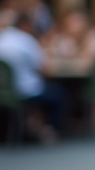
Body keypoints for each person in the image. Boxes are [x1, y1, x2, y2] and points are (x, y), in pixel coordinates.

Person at [0, 8, 66, 141]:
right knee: (60, 95)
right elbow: (46, 69)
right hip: (24, 91)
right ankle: (49, 131)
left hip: (3, 91)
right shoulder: (27, 40)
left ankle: (30, 127)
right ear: (27, 25)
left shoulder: (3, 37)